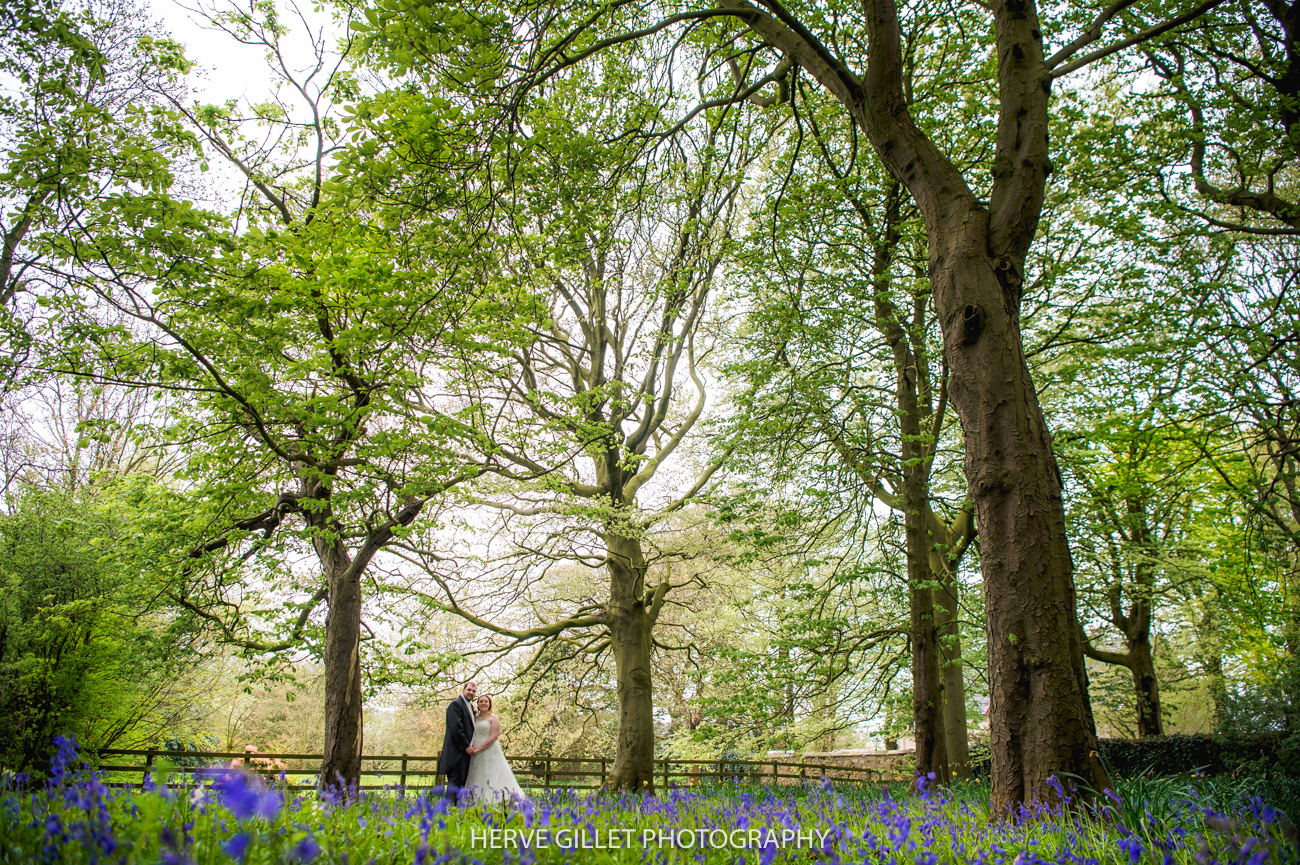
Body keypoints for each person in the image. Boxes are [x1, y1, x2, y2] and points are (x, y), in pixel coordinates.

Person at [464, 694, 525, 802]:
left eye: (486, 701)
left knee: (493, 776)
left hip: (489, 751)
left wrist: (479, 749)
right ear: (477, 705)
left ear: (489, 704)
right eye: (481, 701)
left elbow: (493, 737)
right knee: (477, 775)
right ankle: (476, 801)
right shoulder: (475, 717)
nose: (483, 703)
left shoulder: (493, 718)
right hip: (475, 752)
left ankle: (497, 801)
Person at [438, 681, 477, 800]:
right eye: (469, 690)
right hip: (456, 754)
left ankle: (456, 812)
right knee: (454, 785)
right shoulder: (456, 704)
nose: (471, 693)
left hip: (464, 755)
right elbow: (457, 729)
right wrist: (466, 746)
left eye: (474, 691)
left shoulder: (469, 706)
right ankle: (449, 811)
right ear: (464, 690)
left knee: (461, 785)